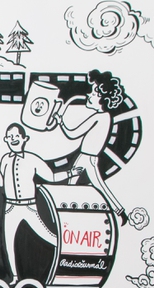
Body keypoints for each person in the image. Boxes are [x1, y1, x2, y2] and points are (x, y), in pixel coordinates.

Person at [0, 123, 78, 284]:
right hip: (11, 208)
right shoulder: (5, 159)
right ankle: (15, 277)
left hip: (29, 207)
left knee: (48, 236)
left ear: (24, 139)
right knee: (9, 243)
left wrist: (70, 173)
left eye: (17, 136)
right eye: (10, 137)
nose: (13, 139)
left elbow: (51, 177)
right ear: (6, 140)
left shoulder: (32, 159)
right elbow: (2, 183)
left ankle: (69, 258)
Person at [55, 69, 128, 225]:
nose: (89, 95)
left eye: (94, 92)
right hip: (86, 157)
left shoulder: (99, 117)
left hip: (88, 158)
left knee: (89, 186)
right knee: (78, 185)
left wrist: (60, 121)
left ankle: (71, 216)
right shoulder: (106, 117)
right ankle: (118, 211)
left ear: (102, 98)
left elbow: (73, 133)